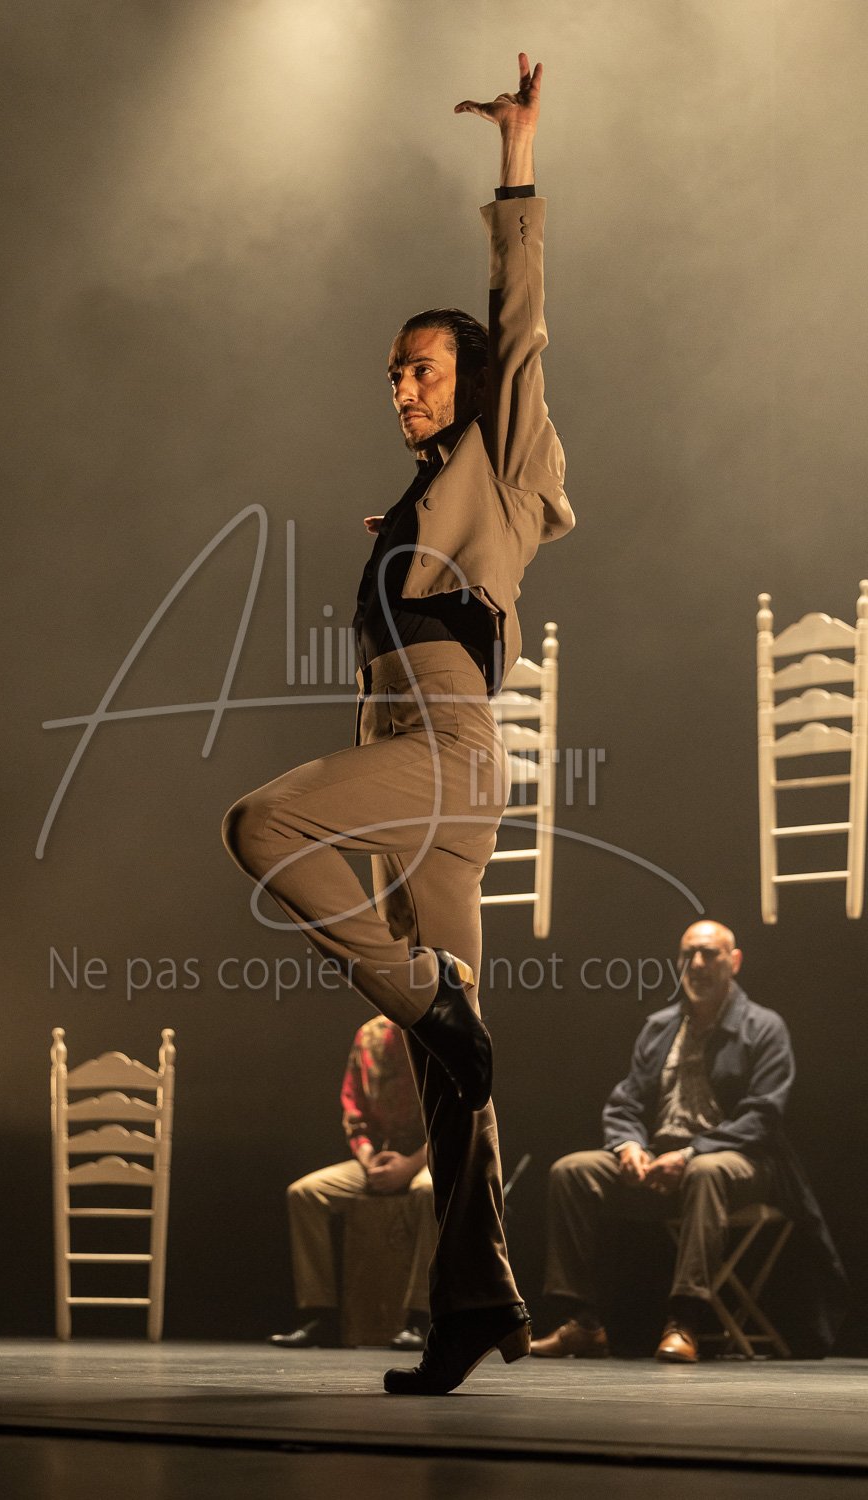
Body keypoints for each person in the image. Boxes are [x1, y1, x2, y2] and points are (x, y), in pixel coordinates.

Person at [223, 51, 573, 1394]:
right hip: (421, 765)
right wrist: (406, 541)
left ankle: (427, 999)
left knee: (260, 826)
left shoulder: (499, 451)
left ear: (467, 378)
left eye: (420, 369)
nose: (401, 388)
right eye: (392, 375)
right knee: (452, 1077)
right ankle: (477, 1303)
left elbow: (521, 323)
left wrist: (517, 161)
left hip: (443, 754)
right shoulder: (431, 496)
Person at [531, 920, 848, 1363]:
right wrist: (629, 1147)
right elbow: (625, 1103)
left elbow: (762, 1116)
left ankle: (685, 1321)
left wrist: (689, 1153)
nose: (697, 964)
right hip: (662, 1161)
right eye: (688, 955)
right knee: (572, 1171)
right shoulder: (659, 1027)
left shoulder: (763, 1027)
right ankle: (583, 1322)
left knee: (705, 1171)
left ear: (734, 961)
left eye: (710, 954)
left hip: (740, 1162)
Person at [270, 1016, 436, 1351]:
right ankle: (323, 1316)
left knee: (428, 1190)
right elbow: (355, 1111)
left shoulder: (438, 1029)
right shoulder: (370, 1035)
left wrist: (409, 1166)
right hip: (382, 1156)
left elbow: (455, 1115)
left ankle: (422, 1318)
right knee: (306, 1193)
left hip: (431, 1155)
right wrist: (369, 1159)